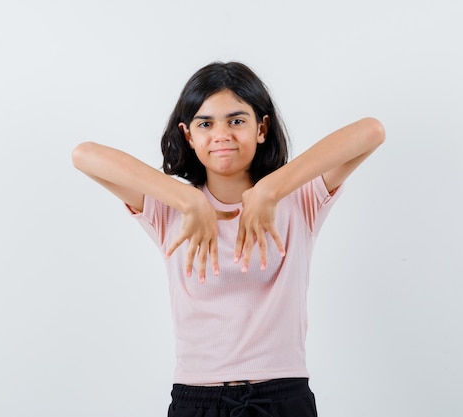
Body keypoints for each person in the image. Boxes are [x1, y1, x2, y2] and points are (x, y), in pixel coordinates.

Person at [72, 61, 385, 417]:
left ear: (261, 128)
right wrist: (187, 198)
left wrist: (271, 189)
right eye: (205, 124)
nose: (221, 135)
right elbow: (84, 155)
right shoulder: (169, 212)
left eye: (237, 121)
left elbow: (370, 131)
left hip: (284, 397)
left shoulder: (299, 200)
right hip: (196, 399)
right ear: (188, 136)